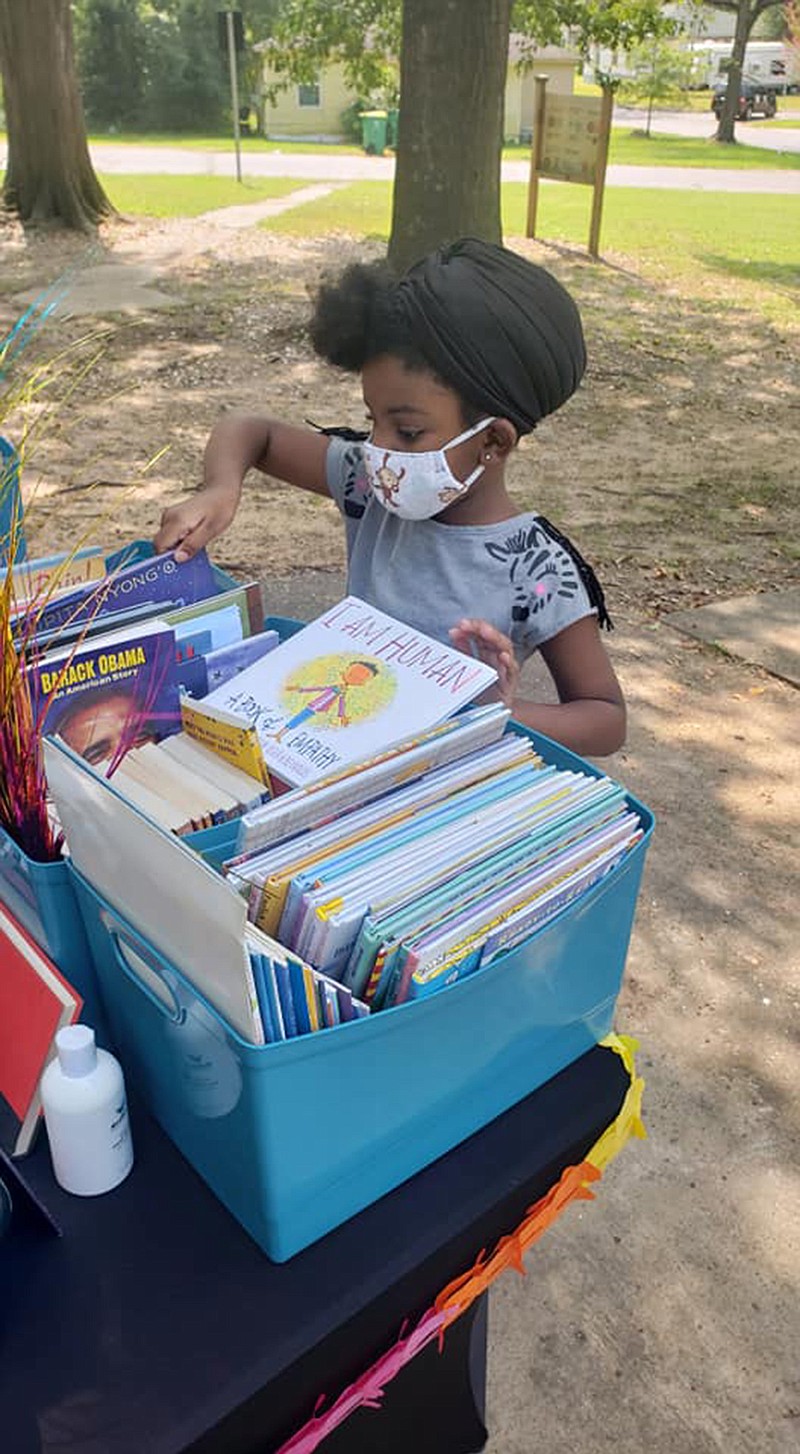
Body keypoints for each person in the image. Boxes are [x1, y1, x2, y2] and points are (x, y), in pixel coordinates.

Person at [155, 238, 626, 757]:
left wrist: (502, 709)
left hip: (437, 795)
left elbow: (605, 718)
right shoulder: (372, 486)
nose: (376, 448)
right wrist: (221, 488)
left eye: (405, 432)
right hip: (334, 752)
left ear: (493, 441)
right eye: (370, 420)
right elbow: (251, 431)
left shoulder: (534, 568)